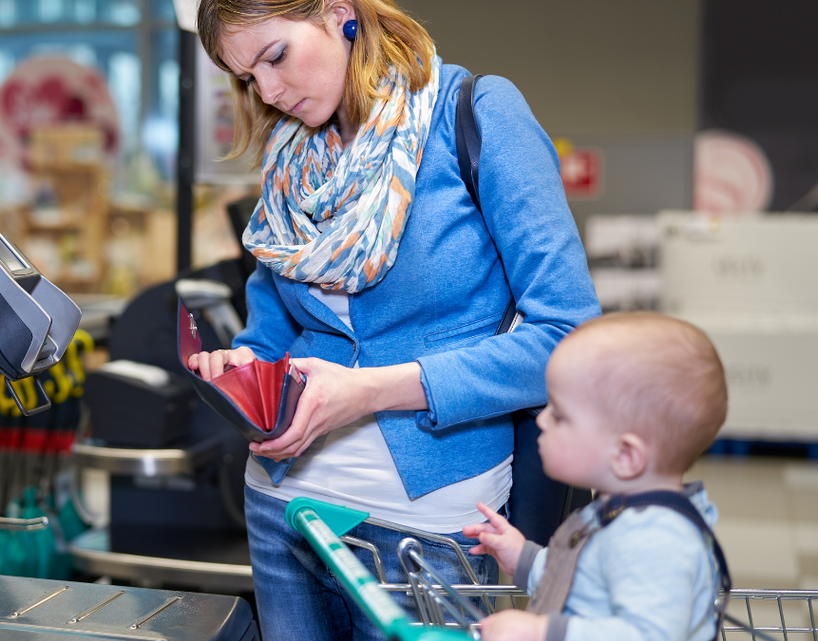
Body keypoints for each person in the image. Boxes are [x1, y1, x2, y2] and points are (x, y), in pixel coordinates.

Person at [189, 0, 601, 638]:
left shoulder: (475, 115)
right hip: (283, 503)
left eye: (275, 56)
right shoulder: (289, 159)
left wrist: (371, 391)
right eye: (245, 78)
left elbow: (568, 337)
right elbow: (268, 334)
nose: (267, 91)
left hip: (430, 526)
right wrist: (243, 369)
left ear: (338, 14)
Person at [464, 312, 729, 641]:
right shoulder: (620, 509)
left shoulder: (655, 538)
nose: (543, 420)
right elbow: (588, 576)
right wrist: (525, 559)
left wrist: (543, 631)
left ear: (625, 456)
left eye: (560, 414)